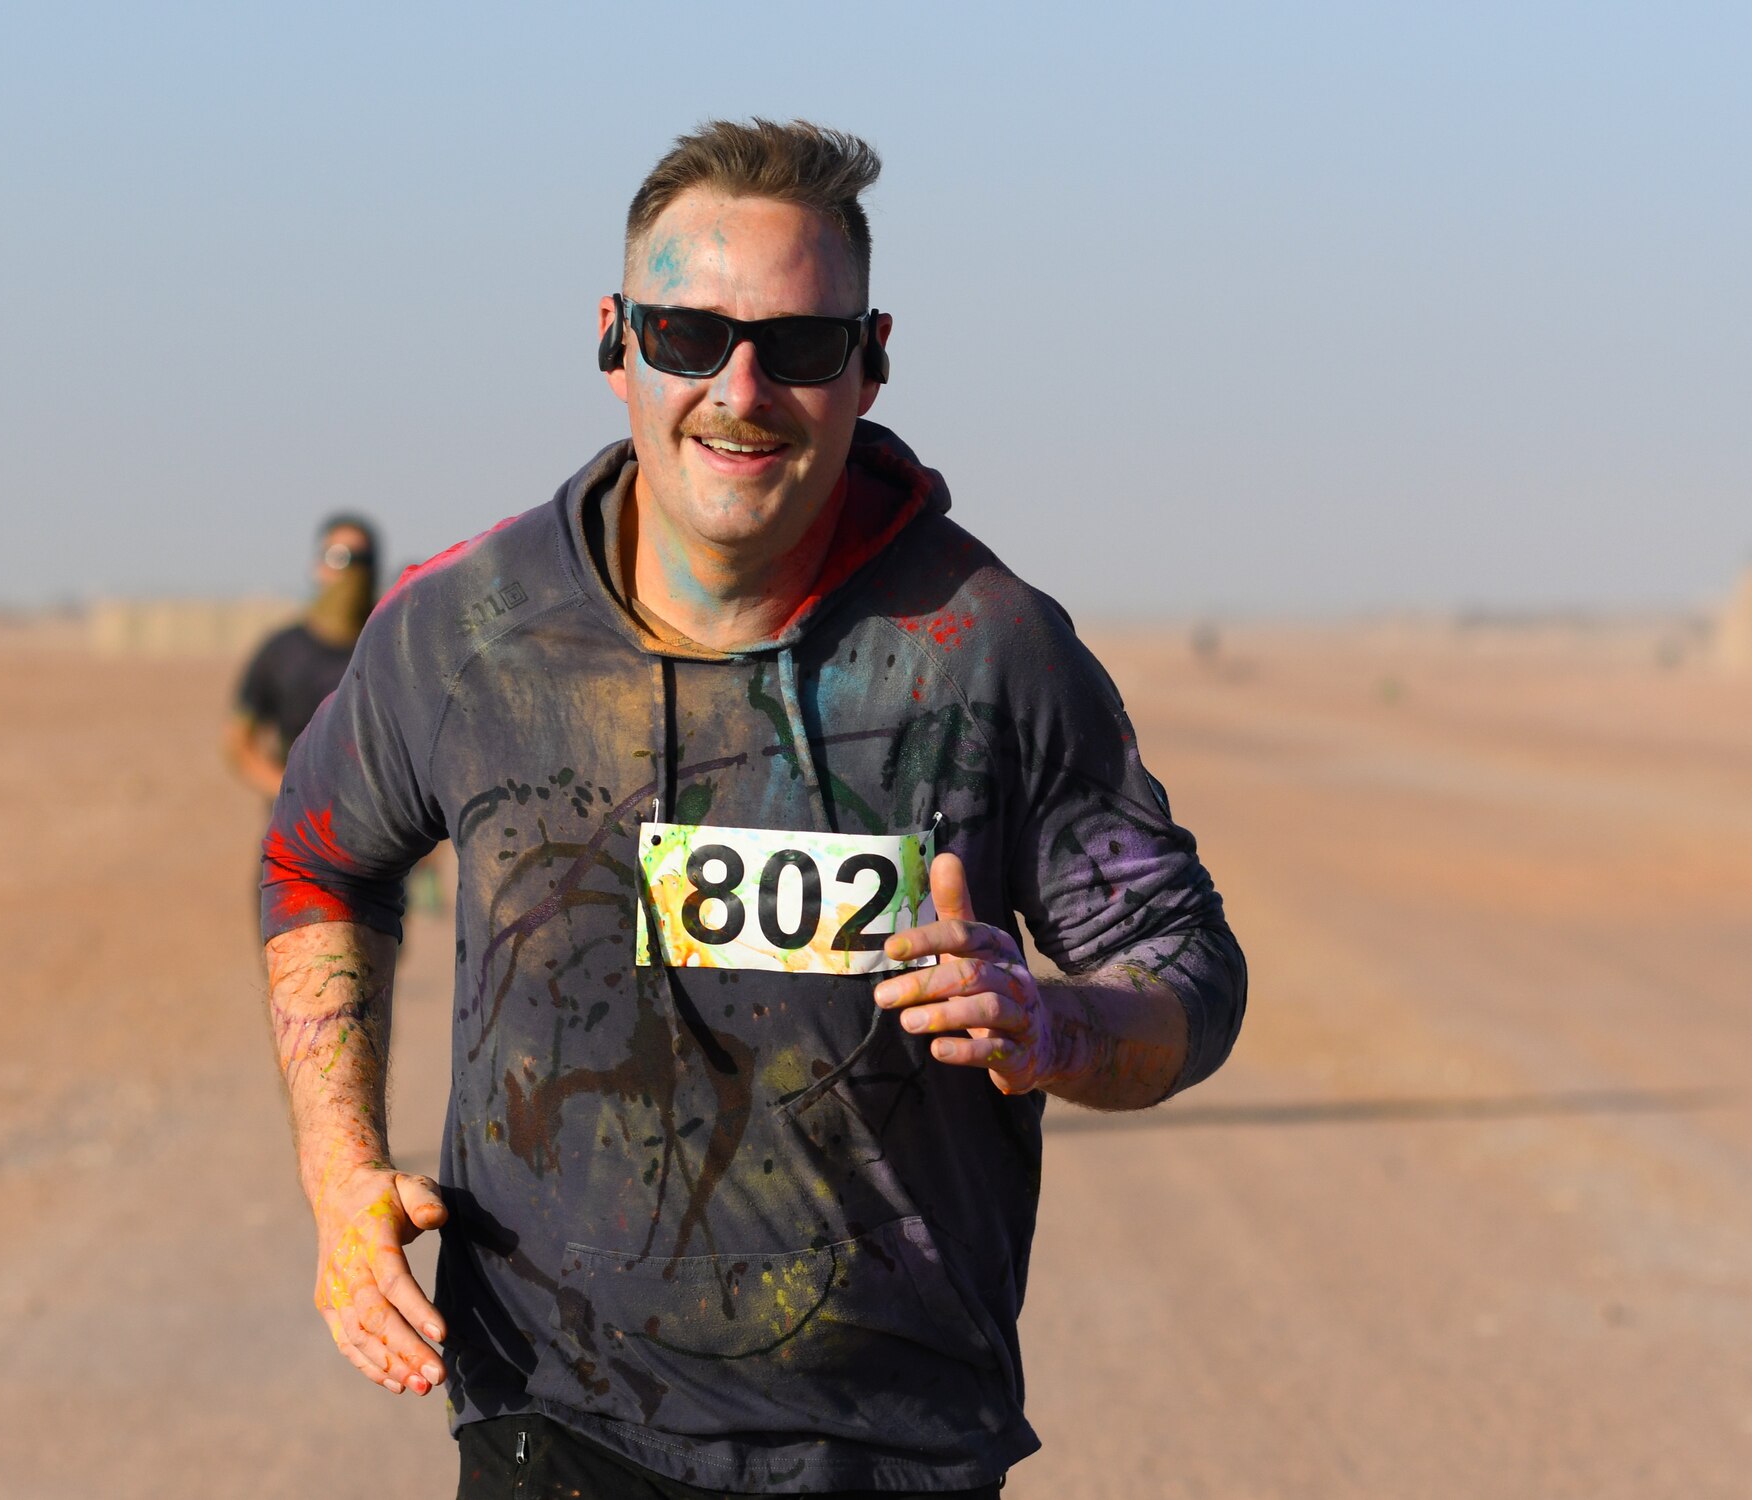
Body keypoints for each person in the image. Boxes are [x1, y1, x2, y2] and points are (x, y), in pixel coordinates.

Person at [260, 119, 1247, 1499]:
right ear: (613, 340)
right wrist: (338, 1172)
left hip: (892, 1439)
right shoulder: (465, 632)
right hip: (554, 1415)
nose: (740, 389)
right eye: (685, 335)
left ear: (870, 360)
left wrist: (1057, 1019)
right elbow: (316, 861)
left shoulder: (988, 648)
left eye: (796, 346)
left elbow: (1191, 971)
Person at [223, 514, 379, 800]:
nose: (351, 571)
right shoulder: (283, 651)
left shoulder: (389, 648)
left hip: (385, 834)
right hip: (296, 833)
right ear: (317, 566)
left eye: (362, 560)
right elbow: (239, 744)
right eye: (339, 557)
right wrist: (292, 791)